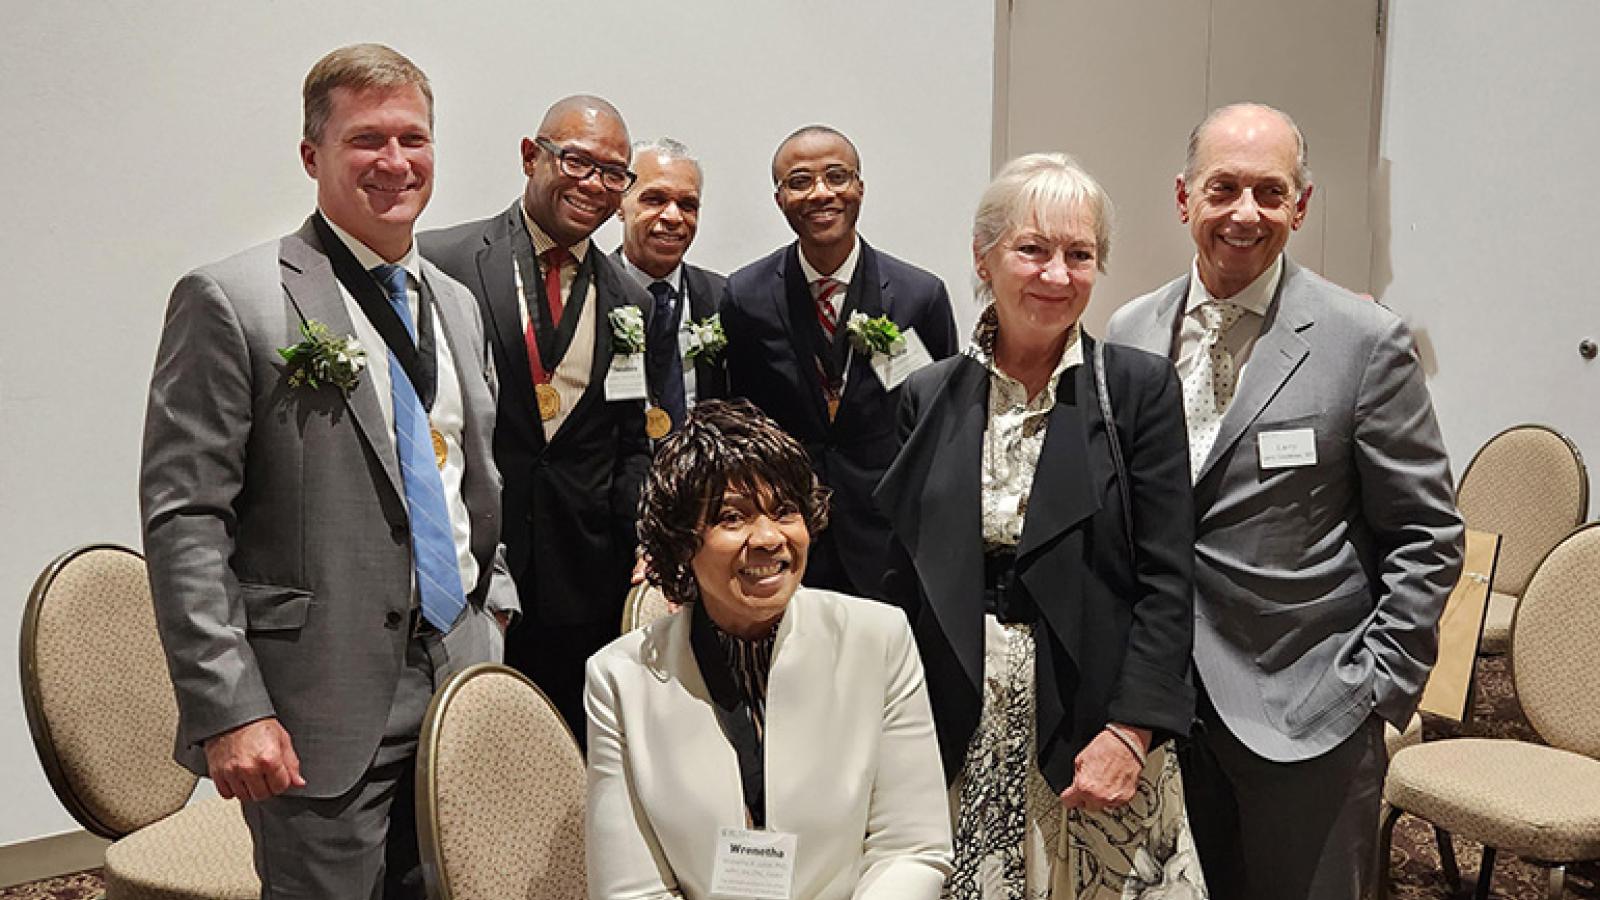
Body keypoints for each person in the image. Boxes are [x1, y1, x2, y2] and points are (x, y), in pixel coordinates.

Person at [140, 44, 516, 898]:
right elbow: (186, 519)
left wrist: (495, 606)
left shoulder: (456, 305)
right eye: (366, 140)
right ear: (313, 156)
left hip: (458, 673)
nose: (395, 162)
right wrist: (231, 706)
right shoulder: (234, 300)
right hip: (317, 699)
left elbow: (470, 476)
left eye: (413, 139)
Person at [1105, 103, 1464, 900]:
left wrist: (1378, 687)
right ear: (1183, 197)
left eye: (1270, 192)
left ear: (1301, 206)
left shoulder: (1364, 341)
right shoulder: (1130, 332)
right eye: (1223, 188)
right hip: (1161, 713)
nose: (1245, 212)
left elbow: (1427, 533)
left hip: (1310, 716)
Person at [878, 154, 1204, 899]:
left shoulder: (1136, 390)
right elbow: (902, 586)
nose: (1057, 274)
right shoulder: (927, 396)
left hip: (1098, 723)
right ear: (983, 258)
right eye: (1032, 249)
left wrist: (1133, 730)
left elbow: (1167, 579)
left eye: (1079, 255)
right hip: (958, 723)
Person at [585, 399, 953, 900]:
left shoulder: (879, 640)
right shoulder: (619, 680)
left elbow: (911, 847)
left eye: (784, 512)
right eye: (731, 517)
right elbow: (630, 890)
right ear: (682, 542)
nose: (767, 538)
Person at [420, 95, 652, 741]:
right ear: (531, 156)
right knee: (462, 753)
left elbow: (631, 442)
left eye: (614, 173)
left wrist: (645, 542)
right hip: (472, 572)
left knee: (573, 756)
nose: (594, 184)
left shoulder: (631, 298)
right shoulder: (445, 262)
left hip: (585, 577)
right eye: (577, 161)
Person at [721, 125, 958, 600]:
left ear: (860, 187)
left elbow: (943, 427)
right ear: (779, 199)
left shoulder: (920, 295)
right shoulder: (746, 296)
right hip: (786, 537)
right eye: (800, 181)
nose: (821, 193)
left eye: (836, 176)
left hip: (888, 538)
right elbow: (737, 423)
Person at [614, 137, 728, 424]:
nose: (673, 216)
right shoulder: (589, 293)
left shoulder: (724, 298)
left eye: (688, 205)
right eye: (655, 199)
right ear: (619, 205)